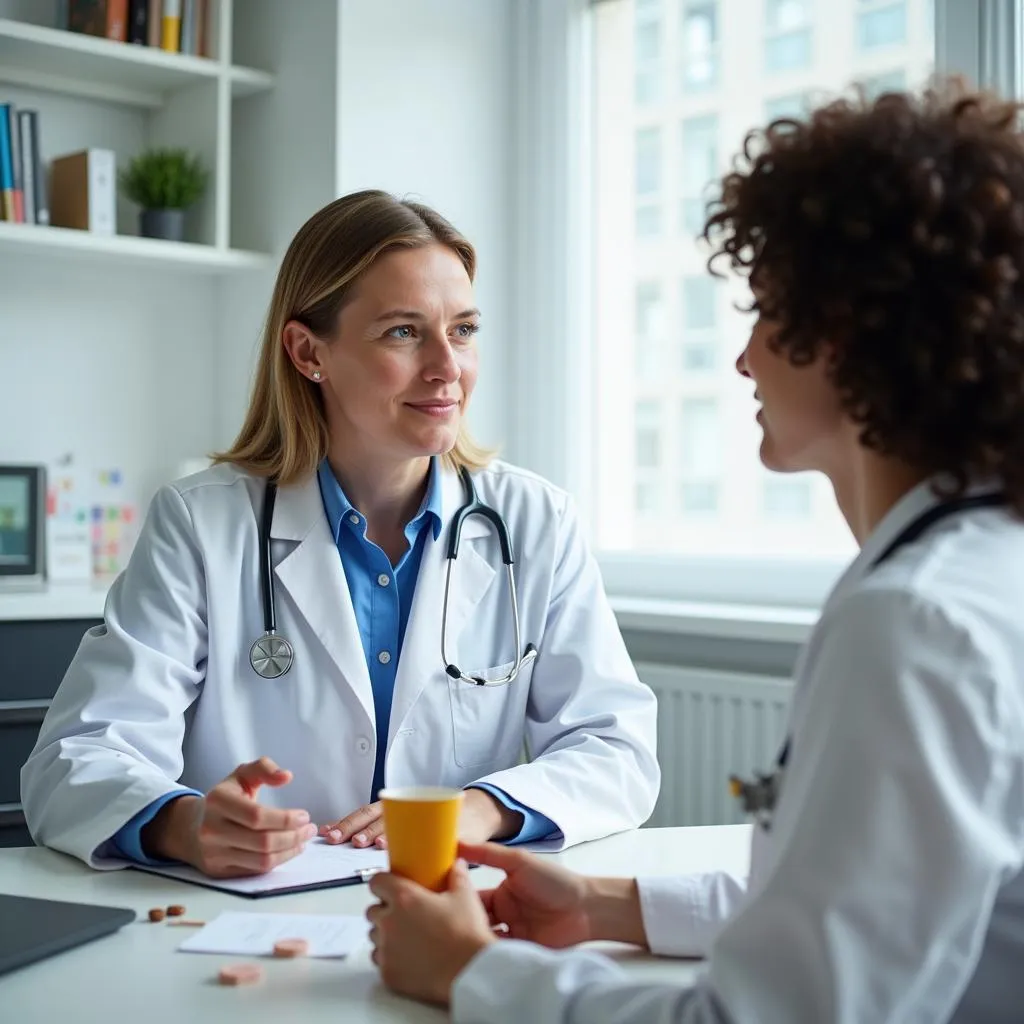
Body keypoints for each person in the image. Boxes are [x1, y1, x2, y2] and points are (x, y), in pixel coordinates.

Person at [365, 79, 1024, 1022]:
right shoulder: (983, 570)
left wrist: (471, 973)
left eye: (764, 313)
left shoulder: (919, 621)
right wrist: (604, 903)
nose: (744, 358)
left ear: (842, 335)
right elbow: (864, 904)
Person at [20, 190, 660, 876]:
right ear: (306, 352)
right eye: (404, 332)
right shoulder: (202, 524)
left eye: (465, 329)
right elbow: (71, 761)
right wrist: (186, 823)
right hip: (249, 926)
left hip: (452, 913)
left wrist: (477, 809)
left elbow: (616, 751)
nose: (449, 366)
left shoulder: (535, 522)